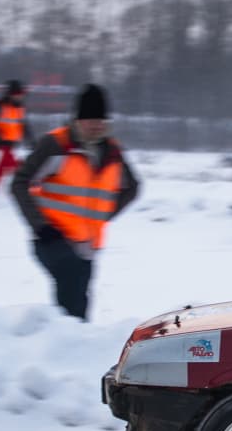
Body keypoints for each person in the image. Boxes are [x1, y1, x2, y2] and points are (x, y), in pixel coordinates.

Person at [11, 84, 139, 321]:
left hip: (88, 244)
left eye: (101, 120)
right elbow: (19, 183)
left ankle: (69, 343)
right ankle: (63, 344)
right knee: (71, 298)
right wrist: (41, 226)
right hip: (53, 238)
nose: (96, 125)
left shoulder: (113, 152)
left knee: (79, 304)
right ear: (77, 119)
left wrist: (104, 216)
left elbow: (132, 187)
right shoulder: (56, 145)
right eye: (90, 120)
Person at [0, 79, 32, 194]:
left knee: (2, 165)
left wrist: (31, 140)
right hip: (1, 139)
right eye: (17, 95)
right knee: (14, 165)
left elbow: (23, 125)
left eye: (21, 95)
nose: (19, 97)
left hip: (12, 141)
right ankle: (27, 183)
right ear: (10, 94)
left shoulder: (20, 108)